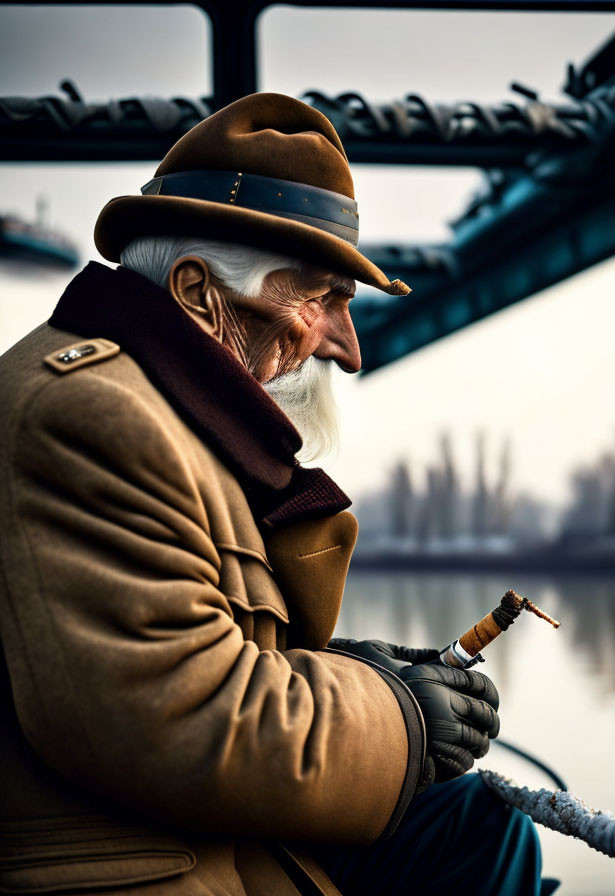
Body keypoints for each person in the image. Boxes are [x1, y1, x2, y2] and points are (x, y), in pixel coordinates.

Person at [0, 93, 546, 896]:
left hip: (196, 834)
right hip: (135, 863)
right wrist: (402, 716)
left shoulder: (157, 413)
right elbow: (170, 713)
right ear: (197, 293)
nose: (348, 349)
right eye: (320, 297)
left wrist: (358, 672)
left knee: (475, 822)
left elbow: (194, 646)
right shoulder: (89, 417)